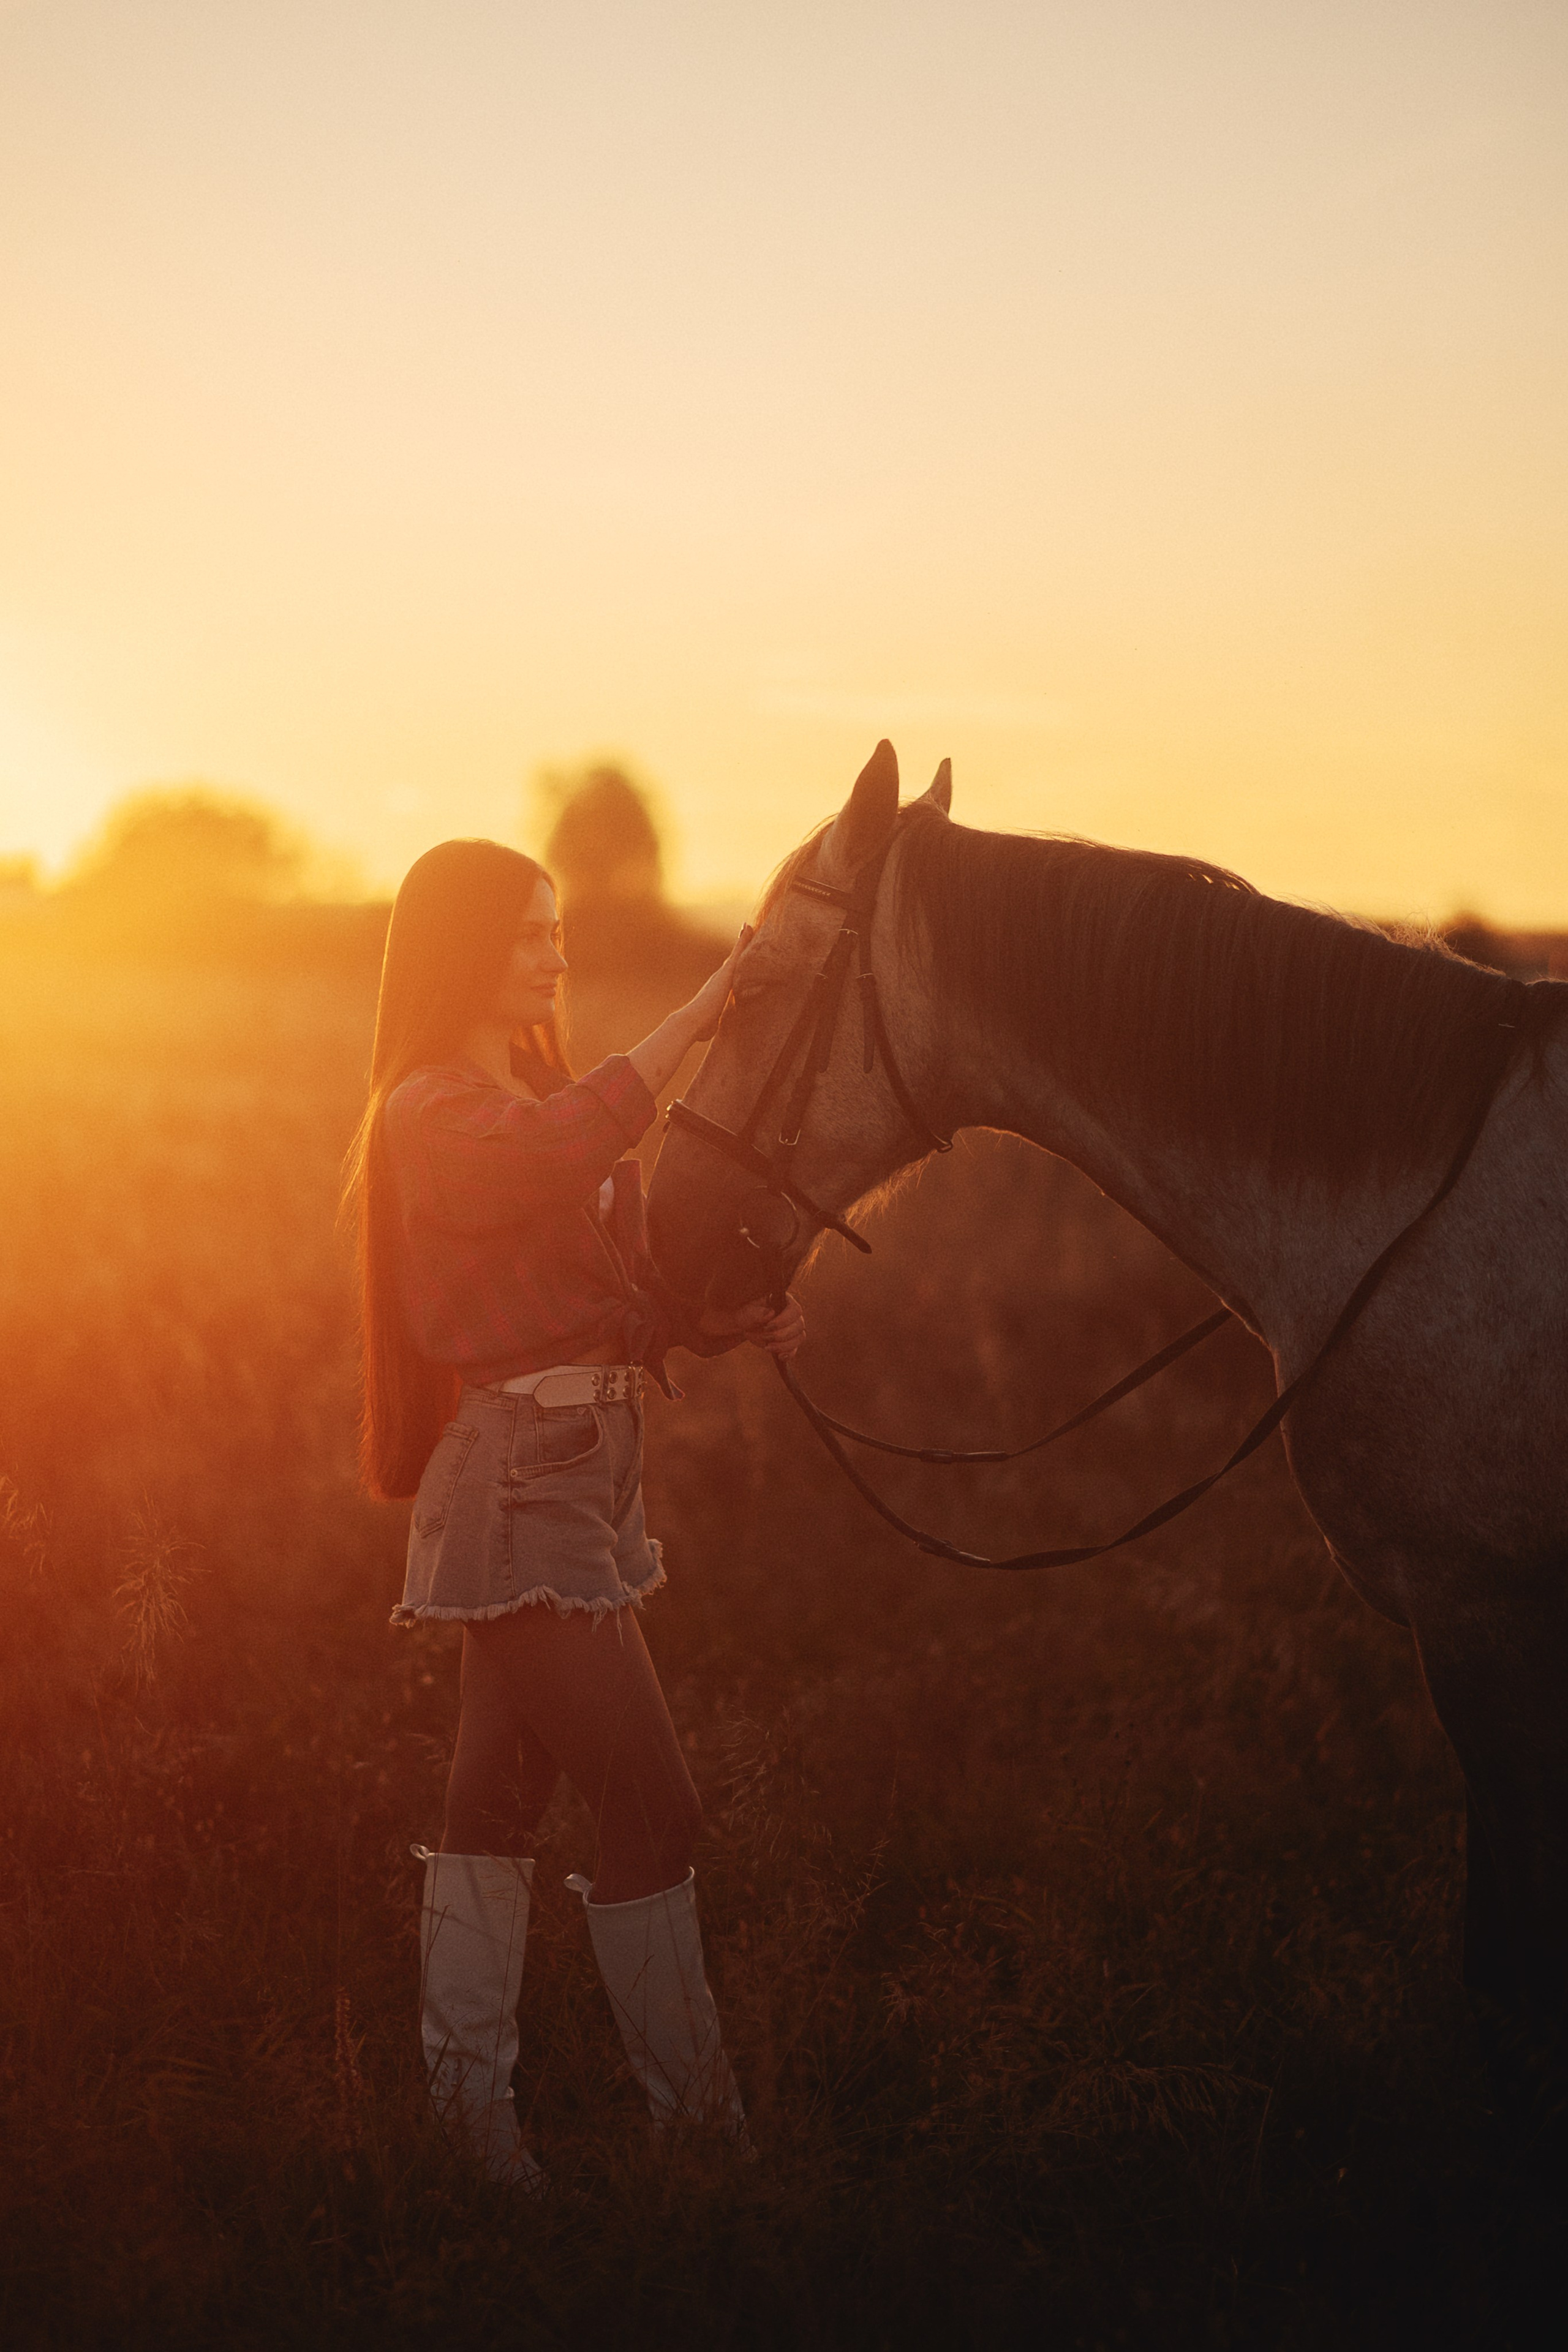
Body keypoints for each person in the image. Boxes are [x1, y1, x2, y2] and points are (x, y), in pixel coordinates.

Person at [342, 838, 802, 2187]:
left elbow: (608, 1285)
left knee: (494, 1806)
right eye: (531, 931)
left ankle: (465, 2128)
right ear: (463, 950)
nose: (555, 950)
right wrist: (714, 1001)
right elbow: (562, 1152)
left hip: (584, 1471)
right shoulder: (431, 1111)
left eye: (556, 927)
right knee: (657, 1810)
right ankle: (702, 2142)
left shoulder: (530, 1088)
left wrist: (713, 1323)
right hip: (520, 1478)